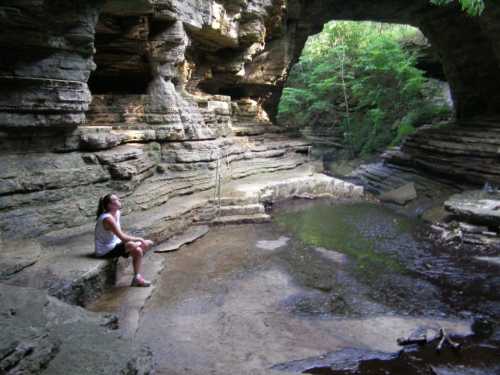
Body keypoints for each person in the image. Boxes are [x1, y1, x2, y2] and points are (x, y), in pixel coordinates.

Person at [95, 193, 154, 287]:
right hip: (105, 250)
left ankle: (137, 278)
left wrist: (137, 243)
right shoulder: (107, 219)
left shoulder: (117, 213)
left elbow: (119, 235)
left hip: (115, 244)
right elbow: (122, 237)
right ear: (110, 205)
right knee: (132, 245)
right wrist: (140, 240)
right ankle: (140, 244)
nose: (119, 201)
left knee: (138, 251)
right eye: (116, 200)